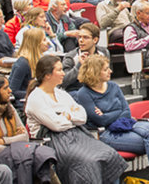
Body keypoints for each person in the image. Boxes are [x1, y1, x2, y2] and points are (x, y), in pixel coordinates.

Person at [24, 55, 128, 183]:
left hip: (77, 135)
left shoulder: (61, 93)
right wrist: (71, 116)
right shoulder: (36, 98)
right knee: (88, 162)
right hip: (54, 140)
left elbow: (82, 116)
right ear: (47, 75)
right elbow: (56, 125)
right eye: (59, 70)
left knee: (109, 154)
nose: (63, 74)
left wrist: (66, 115)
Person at [76, 55, 149, 184]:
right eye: (106, 69)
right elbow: (100, 121)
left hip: (126, 124)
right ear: (94, 72)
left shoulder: (113, 86)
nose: (110, 71)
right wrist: (116, 112)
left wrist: (107, 114)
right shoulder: (84, 93)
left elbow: (126, 112)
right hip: (107, 133)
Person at [0, 74, 57, 184]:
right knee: (30, 159)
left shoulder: (9, 108)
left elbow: (25, 137)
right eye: (5, 88)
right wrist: (15, 140)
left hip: (16, 153)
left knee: (42, 158)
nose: (10, 90)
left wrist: (3, 141)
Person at [60, 23, 111, 93]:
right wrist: (79, 66)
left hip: (98, 89)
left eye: (85, 37)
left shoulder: (103, 53)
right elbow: (63, 81)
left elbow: (107, 75)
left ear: (95, 40)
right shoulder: (71, 56)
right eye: (79, 37)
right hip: (77, 91)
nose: (81, 40)